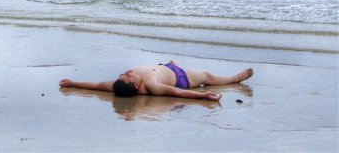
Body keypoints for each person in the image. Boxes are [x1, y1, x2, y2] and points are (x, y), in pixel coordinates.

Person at [59, 60, 253, 101]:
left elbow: (94, 85)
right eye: (128, 75)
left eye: (123, 73)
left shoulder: (116, 85)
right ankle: (234, 79)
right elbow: (177, 92)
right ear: (136, 85)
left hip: (165, 67)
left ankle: (170, 63)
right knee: (208, 77)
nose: (126, 72)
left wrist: (73, 82)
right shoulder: (151, 86)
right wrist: (204, 96)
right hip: (181, 77)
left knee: (169, 65)